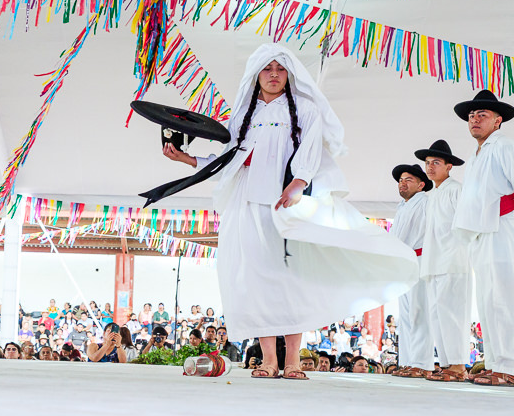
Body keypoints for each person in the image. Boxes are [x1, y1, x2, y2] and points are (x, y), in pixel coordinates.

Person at [161, 44, 417, 381]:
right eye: (266, 69)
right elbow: (228, 163)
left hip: (287, 207)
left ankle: (293, 360)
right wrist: (188, 160)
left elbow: (310, 152)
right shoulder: (241, 115)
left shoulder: (306, 110)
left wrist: (298, 182)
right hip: (246, 206)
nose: (273, 75)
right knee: (256, 279)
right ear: (255, 75)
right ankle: (268, 360)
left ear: (289, 74)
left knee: (291, 278)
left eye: (279, 69)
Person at [452, 90, 514, 386]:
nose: (475, 120)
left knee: (503, 297)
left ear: (498, 121)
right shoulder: (476, 155)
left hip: (501, 228)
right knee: (488, 300)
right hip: (480, 233)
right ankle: (496, 362)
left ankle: (509, 365)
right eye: (472, 116)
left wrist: (496, 213)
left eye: (483, 115)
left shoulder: (503, 146)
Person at [414, 140, 473, 382]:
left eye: (436, 163)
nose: (430, 167)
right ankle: (448, 363)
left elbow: (465, 226)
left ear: (449, 166)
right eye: (427, 163)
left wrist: (458, 252)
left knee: (453, 314)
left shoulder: (456, 190)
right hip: (433, 262)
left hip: (453, 261)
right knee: (438, 314)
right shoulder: (431, 195)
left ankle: (458, 365)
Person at [389, 163, 432, 378]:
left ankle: (422, 362)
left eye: (408, 180)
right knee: (405, 315)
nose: (402, 183)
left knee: (418, 311)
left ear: (421, 184)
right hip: (404, 262)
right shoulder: (402, 206)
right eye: (400, 180)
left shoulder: (424, 201)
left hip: (419, 258)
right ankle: (407, 361)